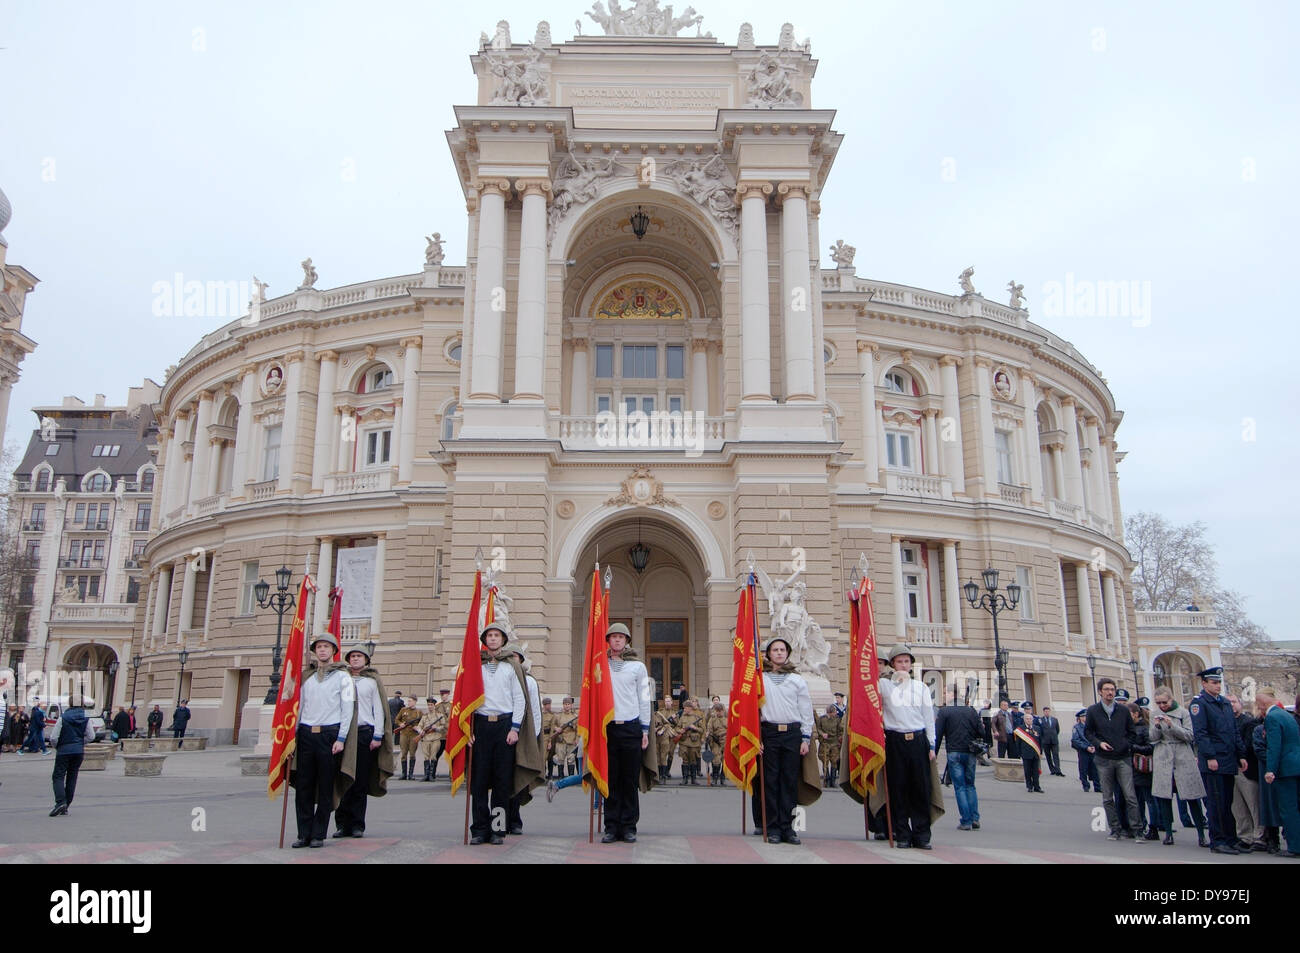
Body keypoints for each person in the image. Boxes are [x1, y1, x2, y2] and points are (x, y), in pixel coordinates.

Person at [291, 632, 355, 848]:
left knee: (326, 785)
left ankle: (319, 833)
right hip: (306, 733)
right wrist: (292, 737)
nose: (322, 650)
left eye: (327, 647)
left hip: (329, 734)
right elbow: (298, 708)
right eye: (319, 647)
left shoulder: (342, 676)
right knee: (304, 785)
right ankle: (303, 833)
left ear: (334, 651)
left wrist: (341, 737)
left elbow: (347, 708)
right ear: (314, 651)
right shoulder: (306, 677)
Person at [470, 620, 526, 846]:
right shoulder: (475, 666)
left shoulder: (511, 667)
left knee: (502, 783)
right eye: (489, 635)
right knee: (479, 782)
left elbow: (519, 698)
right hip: (481, 726)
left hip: (504, 727)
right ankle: (479, 829)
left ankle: (498, 829)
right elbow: (466, 700)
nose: (493, 638)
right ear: (484, 641)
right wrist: (468, 729)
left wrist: (515, 727)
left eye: (497, 635)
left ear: (503, 640)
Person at [599, 622, 654, 843]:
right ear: (608, 641)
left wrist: (644, 729)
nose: (618, 640)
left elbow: (644, 698)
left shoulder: (638, 667)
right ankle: (611, 826)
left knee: (629, 780)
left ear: (627, 641)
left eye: (622, 637)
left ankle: (629, 826)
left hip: (631, 728)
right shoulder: (600, 665)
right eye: (613, 637)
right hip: (609, 728)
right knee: (610, 780)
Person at [757, 637, 814, 845]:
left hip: (792, 734)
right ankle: (772, 827)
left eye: (782, 650)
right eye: (775, 650)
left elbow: (805, 710)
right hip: (770, 733)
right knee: (770, 781)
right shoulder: (760, 679)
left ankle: (788, 828)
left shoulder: (796, 680)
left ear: (787, 653)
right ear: (769, 654)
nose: (779, 653)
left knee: (789, 782)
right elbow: (753, 710)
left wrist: (805, 737)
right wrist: (757, 737)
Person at [879, 644, 937, 849]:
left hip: (918, 740)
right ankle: (902, 833)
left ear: (911, 664)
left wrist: (931, 744)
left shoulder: (920, 687)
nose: (903, 665)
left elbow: (928, 717)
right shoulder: (884, 686)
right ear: (892, 665)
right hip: (895, 741)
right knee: (898, 788)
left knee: (920, 789)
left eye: (906, 661)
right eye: (898, 661)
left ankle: (922, 834)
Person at [332, 643, 393, 838]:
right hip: (342, 734)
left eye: (360, 656)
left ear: (366, 660)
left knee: (359, 780)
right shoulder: (341, 679)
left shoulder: (372, 682)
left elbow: (379, 709)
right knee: (342, 778)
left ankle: (357, 824)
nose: (356, 659)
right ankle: (341, 824)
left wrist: (377, 735)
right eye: (352, 656)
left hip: (364, 733)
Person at [1188, 666, 1247, 855]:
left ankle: (1230, 838)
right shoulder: (1200, 703)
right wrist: (1210, 757)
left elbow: (1234, 731)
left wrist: (1241, 754)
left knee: (1228, 802)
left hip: (1229, 759)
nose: (1218, 686)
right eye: (1214, 682)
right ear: (1204, 683)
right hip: (1214, 761)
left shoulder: (1224, 702)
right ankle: (1218, 840)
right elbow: (1201, 734)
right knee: (1216, 802)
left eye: (1219, 682)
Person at [1084, 678, 1145, 842]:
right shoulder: (1093, 711)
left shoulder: (1123, 711)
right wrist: (1099, 744)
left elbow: (1132, 733)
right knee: (1107, 797)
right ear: (1100, 692)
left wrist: (1125, 745)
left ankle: (1137, 830)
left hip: (1123, 758)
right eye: (1107, 689)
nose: (1110, 692)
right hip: (1103, 759)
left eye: (1112, 689)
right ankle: (1115, 829)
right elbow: (1088, 732)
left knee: (1130, 795)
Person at [1149, 686, 1207, 846]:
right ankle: (1168, 833)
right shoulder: (1154, 714)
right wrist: (1157, 726)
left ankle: (1201, 834)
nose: (1162, 706)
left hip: (1182, 755)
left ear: (1171, 699)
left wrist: (1172, 726)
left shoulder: (1183, 713)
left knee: (1192, 795)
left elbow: (1190, 735)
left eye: (1164, 702)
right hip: (1163, 755)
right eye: (1158, 703)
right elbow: (1152, 738)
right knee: (1164, 796)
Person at [505, 644, 545, 836]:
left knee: (518, 777)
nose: (513, 661)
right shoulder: (502, 678)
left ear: (521, 660)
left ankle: (514, 820)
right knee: (501, 780)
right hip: (501, 735)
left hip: (522, 737)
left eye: (516, 657)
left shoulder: (529, 682)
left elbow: (535, 712)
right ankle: (500, 821)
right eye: (509, 658)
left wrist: (533, 738)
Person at [1257, 688, 1300, 858]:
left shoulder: (1272, 717)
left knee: (1288, 809)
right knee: (1296, 807)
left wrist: (1270, 770)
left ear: (1262, 703)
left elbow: (1274, 747)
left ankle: (1295, 847)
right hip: (1296, 765)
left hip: (1285, 769)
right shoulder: (1287, 715)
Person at [934, 700, 983, 830]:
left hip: (954, 752)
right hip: (970, 751)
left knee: (960, 787)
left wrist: (934, 753)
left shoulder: (945, 711)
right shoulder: (971, 711)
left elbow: (938, 734)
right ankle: (975, 818)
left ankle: (966, 821)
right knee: (970, 785)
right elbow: (982, 732)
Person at [48, 692, 96, 816]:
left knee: (58, 776)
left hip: (64, 751)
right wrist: (80, 743)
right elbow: (91, 736)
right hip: (78, 751)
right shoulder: (86, 718)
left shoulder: (63, 718)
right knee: (72, 777)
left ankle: (60, 802)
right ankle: (66, 804)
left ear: (69, 703)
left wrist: (57, 746)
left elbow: (53, 737)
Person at [1229, 694, 1265, 852]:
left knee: (1253, 803)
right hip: (1231, 768)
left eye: (1234, 702)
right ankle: (1245, 835)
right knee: (1238, 806)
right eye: (1228, 703)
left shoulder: (1248, 722)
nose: (1231, 705)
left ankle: (1259, 835)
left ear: (1240, 704)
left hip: (1246, 768)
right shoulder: (1226, 723)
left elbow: (1248, 745)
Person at [1128, 702, 1158, 838]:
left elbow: (1151, 747)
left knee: (1149, 800)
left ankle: (1154, 828)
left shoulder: (1144, 728)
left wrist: (1134, 748)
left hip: (1144, 768)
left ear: (1135, 714)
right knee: (1138, 801)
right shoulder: (1129, 728)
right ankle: (1141, 826)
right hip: (1133, 768)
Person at [416, 695, 449, 782]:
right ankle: (426, 775)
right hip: (426, 739)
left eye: (431, 705)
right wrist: (421, 731)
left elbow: (443, 726)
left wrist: (436, 728)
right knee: (426, 757)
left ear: (434, 706)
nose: (430, 706)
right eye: (429, 705)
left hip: (435, 738)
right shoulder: (425, 716)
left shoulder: (439, 715)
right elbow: (419, 726)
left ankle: (431, 775)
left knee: (433, 756)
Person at [1014, 703, 1044, 793]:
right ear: (1024, 720)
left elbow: (1040, 741)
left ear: (1032, 719)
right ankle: (1029, 786)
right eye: (1027, 719)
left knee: (1036, 771)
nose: (1029, 720)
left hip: (1035, 753)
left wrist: (1041, 752)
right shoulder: (1020, 729)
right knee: (1027, 771)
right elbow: (1018, 743)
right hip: (1026, 754)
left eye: (1030, 718)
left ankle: (1037, 787)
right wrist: (1019, 754)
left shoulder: (1037, 728)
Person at [675, 697, 704, 786]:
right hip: (684, 742)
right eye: (684, 708)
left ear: (690, 708)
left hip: (694, 743)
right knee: (685, 760)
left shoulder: (697, 718)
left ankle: (693, 779)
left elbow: (702, 730)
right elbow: (677, 727)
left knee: (693, 761)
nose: (684, 709)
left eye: (686, 708)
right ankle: (685, 779)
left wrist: (695, 728)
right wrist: (681, 731)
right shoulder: (682, 718)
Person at [394, 695, 423, 780]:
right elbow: (396, 719)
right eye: (408, 701)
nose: (409, 702)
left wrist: (417, 727)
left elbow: (422, 722)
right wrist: (400, 724)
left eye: (410, 701)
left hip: (413, 735)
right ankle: (404, 774)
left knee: (412, 754)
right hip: (404, 734)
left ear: (415, 701)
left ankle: (411, 774)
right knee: (404, 754)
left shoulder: (418, 712)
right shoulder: (403, 710)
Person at [1071, 709, 1100, 792]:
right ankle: (1085, 785)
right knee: (1083, 769)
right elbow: (1076, 740)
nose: (1085, 718)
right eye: (1083, 716)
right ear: (1079, 718)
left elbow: (1096, 737)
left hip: (1093, 749)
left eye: (1086, 716)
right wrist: (1086, 747)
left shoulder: (1093, 726)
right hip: (1083, 750)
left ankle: (1097, 786)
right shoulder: (1076, 727)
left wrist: (1094, 746)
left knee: (1095, 769)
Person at [815, 705, 842, 787]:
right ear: (829, 713)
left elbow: (839, 730)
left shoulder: (837, 719)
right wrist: (822, 734)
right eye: (834, 712)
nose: (835, 714)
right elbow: (818, 728)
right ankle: (826, 779)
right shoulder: (822, 719)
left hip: (834, 743)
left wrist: (839, 739)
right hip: (825, 743)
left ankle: (833, 781)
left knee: (834, 761)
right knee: (825, 761)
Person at [552, 696, 579, 778]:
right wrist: (557, 728)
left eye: (568, 704)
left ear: (571, 705)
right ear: (563, 705)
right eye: (565, 704)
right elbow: (553, 725)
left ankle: (570, 778)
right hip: (561, 741)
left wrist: (577, 739)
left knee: (571, 759)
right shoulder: (558, 716)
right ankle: (561, 777)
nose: (567, 706)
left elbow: (578, 729)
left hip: (571, 741)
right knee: (560, 760)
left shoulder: (575, 716)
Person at [653, 695, 677, 783]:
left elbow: (676, 724)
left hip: (668, 736)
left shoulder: (674, 712)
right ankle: (660, 775)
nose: (667, 703)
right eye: (666, 701)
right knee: (658, 756)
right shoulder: (660, 712)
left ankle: (665, 774)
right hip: (658, 736)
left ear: (671, 702)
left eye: (668, 701)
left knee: (666, 755)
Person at [705, 700, 728, 786]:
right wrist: (709, 736)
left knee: (725, 761)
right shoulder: (712, 720)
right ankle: (715, 778)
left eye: (720, 710)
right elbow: (709, 729)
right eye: (717, 711)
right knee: (716, 760)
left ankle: (723, 778)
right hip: (716, 741)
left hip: (726, 741)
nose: (719, 712)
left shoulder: (727, 719)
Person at [1039, 707, 1063, 776]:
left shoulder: (1054, 720)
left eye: (1048, 711)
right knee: (1048, 756)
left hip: (1054, 741)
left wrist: (1054, 736)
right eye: (1045, 711)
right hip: (1045, 741)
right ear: (1043, 712)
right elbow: (1040, 731)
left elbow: (1057, 730)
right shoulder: (1041, 720)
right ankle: (1052, 769)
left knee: (1055, 755)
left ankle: (1058, 770)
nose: (1047, 713)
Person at [540, 697, 558, 779]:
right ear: (544, 705)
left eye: (549, 704)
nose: (548, 706)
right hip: (539, 736)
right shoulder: (539, 713)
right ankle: (541, 775)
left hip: (547, 737)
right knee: (540, 756)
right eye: (547, 704)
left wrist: (550, 741)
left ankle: (545, 775)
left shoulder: (552, 715)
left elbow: (551, 729)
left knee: (545, 756)